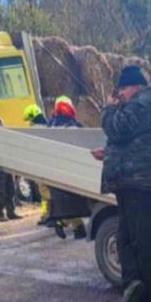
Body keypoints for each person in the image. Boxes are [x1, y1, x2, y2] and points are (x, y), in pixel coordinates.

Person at [98, 65, 151, 302]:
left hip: (137, 181)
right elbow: (129, 141)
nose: (120, 94)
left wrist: (108, 108)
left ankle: (137, 290)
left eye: (122, 89)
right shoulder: (148, 104)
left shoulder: (141, 104)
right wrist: (108, 153)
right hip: (140, 180)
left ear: (135, 86)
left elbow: (117, 129)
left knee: (133, 238)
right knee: (134, 237)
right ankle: (138, 292)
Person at [45, 95, 87, 239]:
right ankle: (74, 227)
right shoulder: (75, 125)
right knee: (77, 199)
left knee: (65, 199)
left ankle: (75, 226)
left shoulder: (50, 127)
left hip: (56, 169)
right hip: (75, 168)